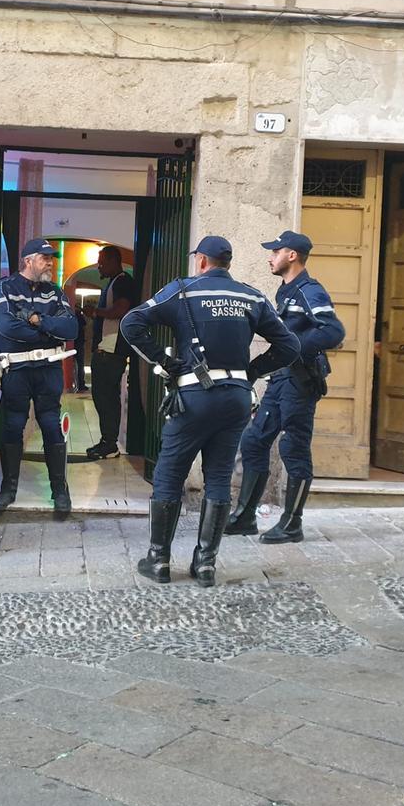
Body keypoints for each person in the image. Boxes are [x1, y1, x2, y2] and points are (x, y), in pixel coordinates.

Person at [120, 236, 299, 587]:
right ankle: (205, 565)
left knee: (170, 474)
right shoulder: (251, 296)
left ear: (202, 260)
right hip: (235, 397)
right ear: (227, 263)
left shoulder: (183, 291)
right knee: (218, 477)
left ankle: (159, 560)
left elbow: (131, 324)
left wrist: (165, 362)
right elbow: (289, 345)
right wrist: (251, 372)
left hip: (194, 396)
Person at [228, 230, 345, 543]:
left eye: (275, 251)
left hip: (300, 383)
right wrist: (254, 370)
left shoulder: (309, 291)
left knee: (293, 449)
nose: (270, 257)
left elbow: (333, 331)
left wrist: (294, 347)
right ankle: (244, 517)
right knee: (253, 441)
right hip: (281, 379)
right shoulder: (285, 291)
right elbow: (283, 343)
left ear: (291, 255)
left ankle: (292, 523)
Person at [0, 238, 78, 516]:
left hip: (48, 369)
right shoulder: (3, 287)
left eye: (51, 258)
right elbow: (6, 327)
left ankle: (59, 491)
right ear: (28, 261)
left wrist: (40, 321)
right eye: (45, 258)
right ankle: (8, 489)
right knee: (13, 425)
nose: (50, 263)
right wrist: (48, 333)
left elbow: (72, 328)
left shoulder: (55, 292)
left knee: (51, 425)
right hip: (16, 369)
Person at [85, 245, 138, 459]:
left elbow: (121, 309)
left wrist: (96, 311)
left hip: (112, 351)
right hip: (106, 349)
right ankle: (107, 440)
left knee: (106, 397)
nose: (99, 265)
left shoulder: (123, 282)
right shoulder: (113, 283)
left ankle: (110, 444)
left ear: (113, 261)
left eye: (101, 261)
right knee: (102, 396)